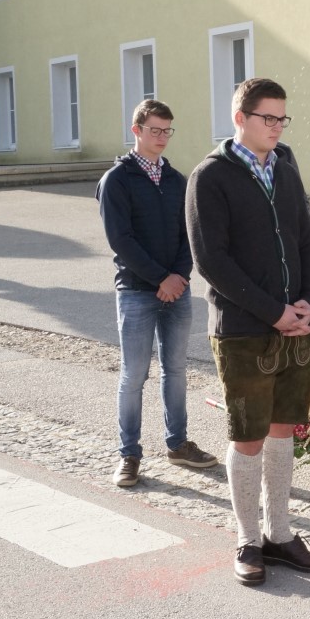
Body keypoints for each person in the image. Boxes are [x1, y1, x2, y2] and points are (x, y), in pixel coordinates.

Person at [186, 77, 310, 586]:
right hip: (244, 330)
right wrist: (273, 312)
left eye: (281, 118)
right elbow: (212, 260)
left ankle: (280, 534)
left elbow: (306, 240)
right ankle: (248, 539)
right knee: (248, 437)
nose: (277, 127)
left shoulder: (284, 171)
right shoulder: (210, 176)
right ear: (240, 118)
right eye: (268, 117)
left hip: (296, 325)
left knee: (283, 430)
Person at [97, 99, 218, 487]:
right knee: (134, 375)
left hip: (176, 291)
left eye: (167, 130)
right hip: (136, 292)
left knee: (177, 371)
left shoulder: (176, 180)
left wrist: (178, 276)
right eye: (154, 130)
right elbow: (121, 240)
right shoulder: (117, 180)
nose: (162, 137)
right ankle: (129, 454)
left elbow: (189, 233)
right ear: (136, 130)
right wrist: (160, 279)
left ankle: (178, 444)